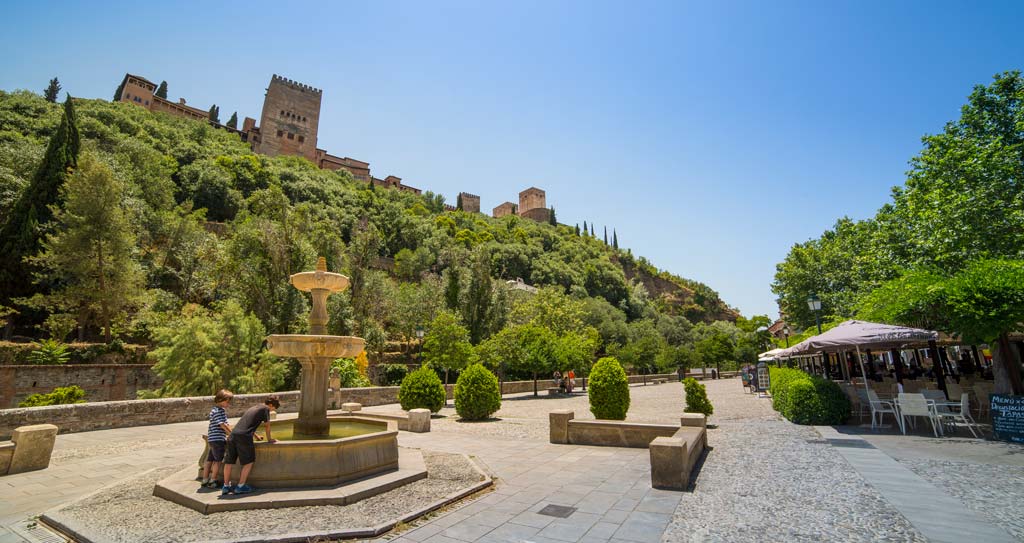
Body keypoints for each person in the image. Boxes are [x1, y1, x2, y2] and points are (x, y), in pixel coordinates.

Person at [222, 395, 280, 495]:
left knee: (229, 462)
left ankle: (226, 486)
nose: (271, 411)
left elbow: (247, 424)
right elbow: (267, 426)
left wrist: (257, 437)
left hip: (233, 435)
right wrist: (269, 439)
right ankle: (240, 486)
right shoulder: (265, 409)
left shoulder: (254, 407)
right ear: (270, 405)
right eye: (272, 409)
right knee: (248, 462)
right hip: (244, 437)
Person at [201, 389, 233, 488]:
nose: (228, 403)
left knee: (210, 459)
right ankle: (213, 480)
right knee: (218, 460)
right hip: (218, 439)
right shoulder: (219, 411)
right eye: (227, 401)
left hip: (212, 438)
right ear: (220, 400)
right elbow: (222, 425)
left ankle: (205, 479)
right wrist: (231, 434)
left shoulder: (214, 410)